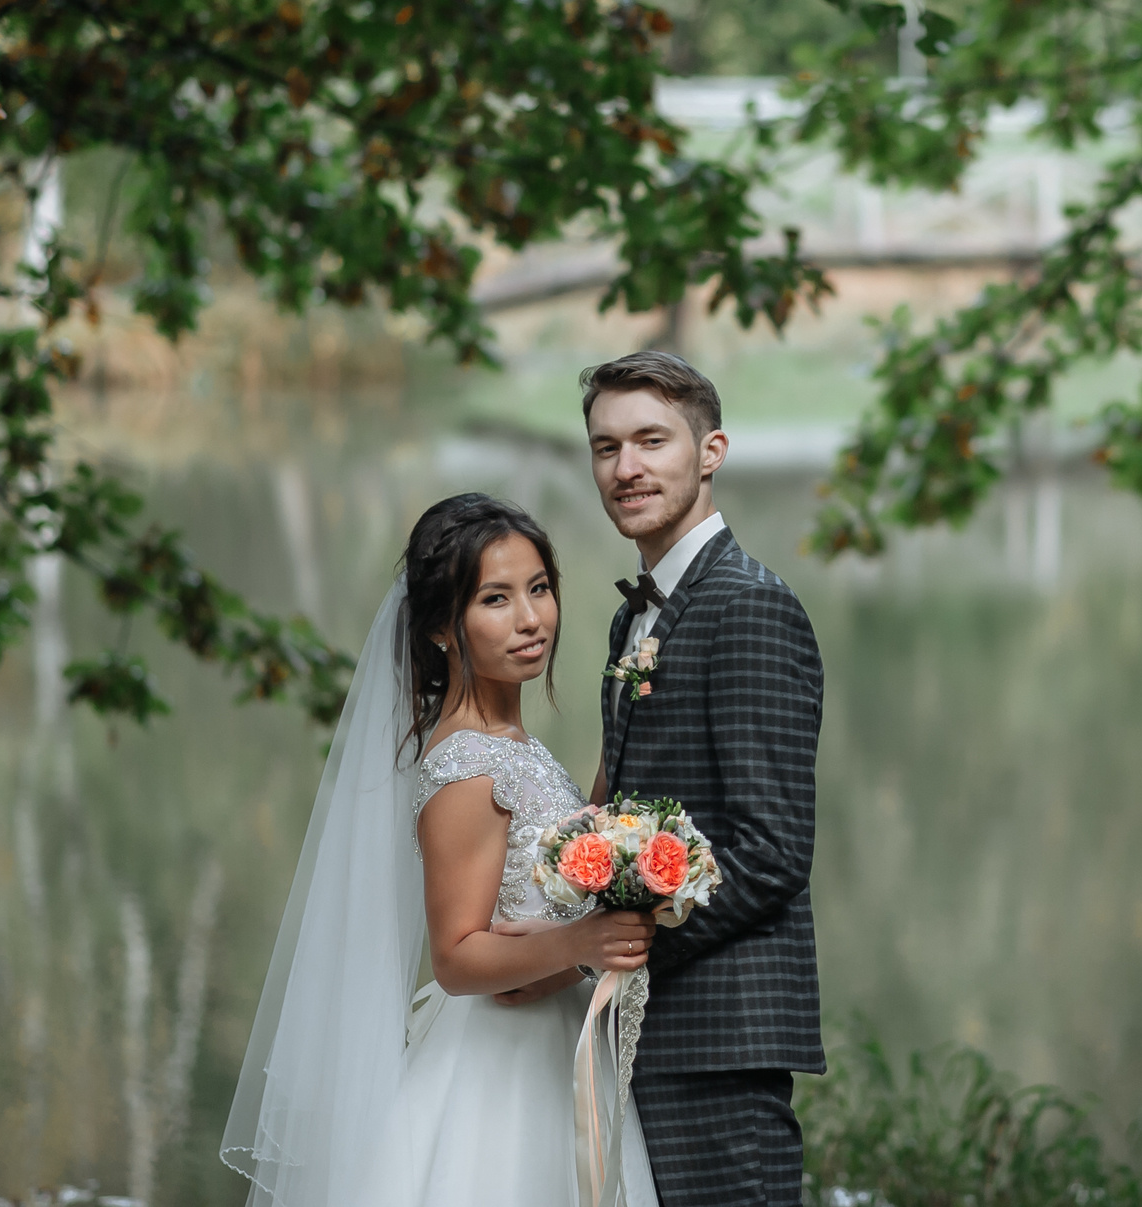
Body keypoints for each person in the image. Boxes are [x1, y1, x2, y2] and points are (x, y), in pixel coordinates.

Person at [221, 493, 662, 1207]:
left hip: (551, 1044)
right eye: (496, 598)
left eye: (540, 588)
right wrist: (582, 939)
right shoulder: (466, 763)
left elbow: (541, 870)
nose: (530, 618)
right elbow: (457, 955)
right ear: (439, 629)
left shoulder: (510, 744)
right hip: (502, 1069)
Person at [546, 351, 827, 1206]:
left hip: (720, 1037)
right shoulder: (636, 614)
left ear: (711, 451)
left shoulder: (749, 606)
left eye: (650, 440)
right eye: (605, 447)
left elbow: (772, 850)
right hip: (645, 1030)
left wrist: (629, 951)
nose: (626, 468)